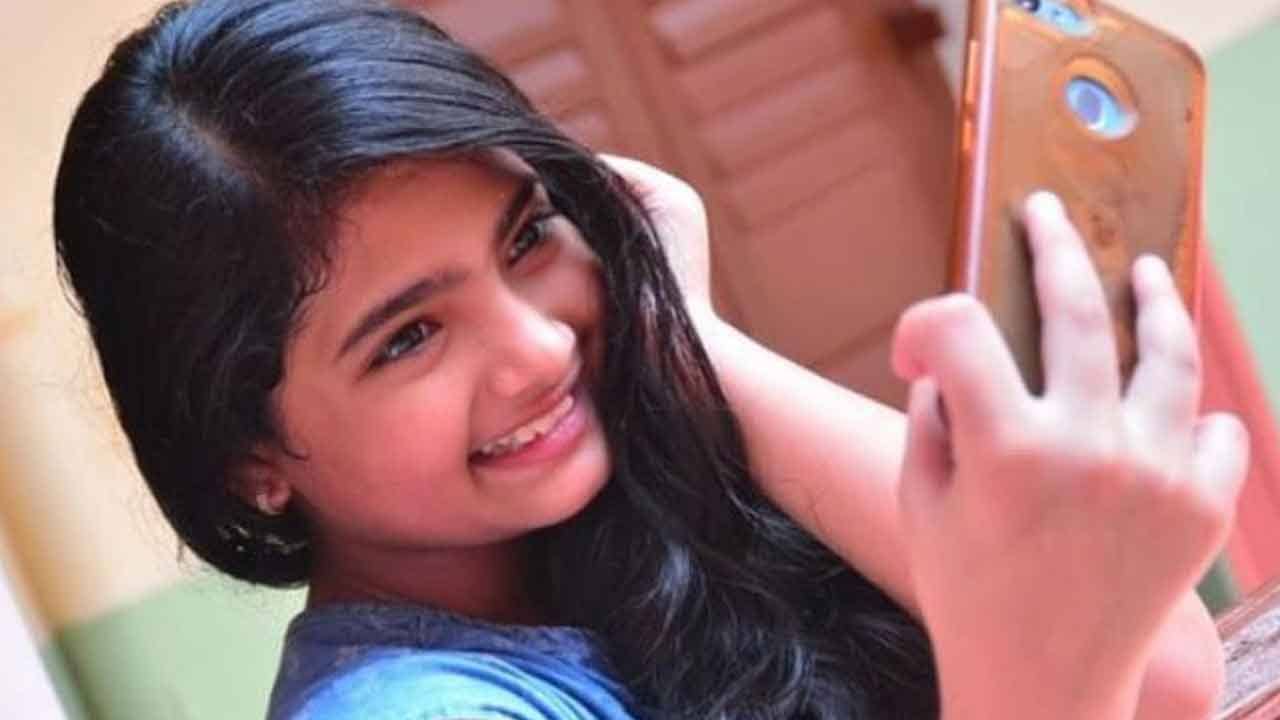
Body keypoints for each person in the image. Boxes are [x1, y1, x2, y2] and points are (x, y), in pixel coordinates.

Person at [52, 1, 1247, 718]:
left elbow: (1159, 678)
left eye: (527, 237)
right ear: (251, 457)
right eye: (408, 337)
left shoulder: (653, 516)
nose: (538, 350)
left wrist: (695, 344)